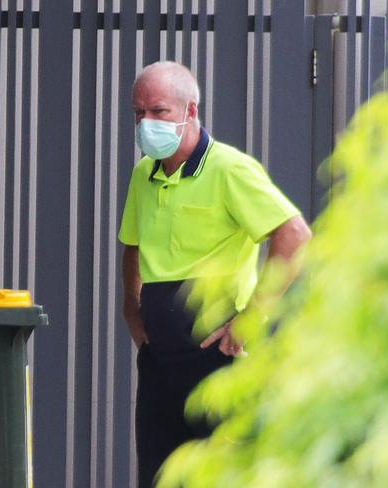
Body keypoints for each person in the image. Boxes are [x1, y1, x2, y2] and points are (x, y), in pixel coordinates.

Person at [119, 61, 312, 488]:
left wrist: (253, 317)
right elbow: (131, 243)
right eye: (139, 113)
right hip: (160, 363)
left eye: (158, 111)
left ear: (191, 110)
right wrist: (132, 310)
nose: (146, 122)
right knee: (160, 475)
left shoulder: (229, 168)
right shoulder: (143, 174)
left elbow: (294, 235)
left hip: (217, 360)